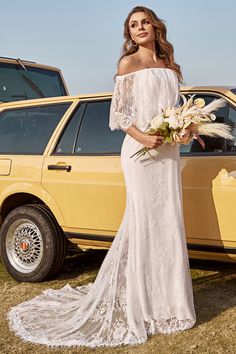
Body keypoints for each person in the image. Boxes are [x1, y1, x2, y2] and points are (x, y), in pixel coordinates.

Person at [7, 6, 196, 348]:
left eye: (144, 23)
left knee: (168, 221)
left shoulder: (170, 66)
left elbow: (175, 111)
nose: (139, 28)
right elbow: (120, 116)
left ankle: (169, 304)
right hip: (139, 153)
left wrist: (182, 132)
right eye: (133, 25)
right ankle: (141, 305)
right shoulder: (128, 64)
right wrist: (145, 138)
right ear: (130, 33)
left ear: (156, 27)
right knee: (143, 223)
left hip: (168, 153)